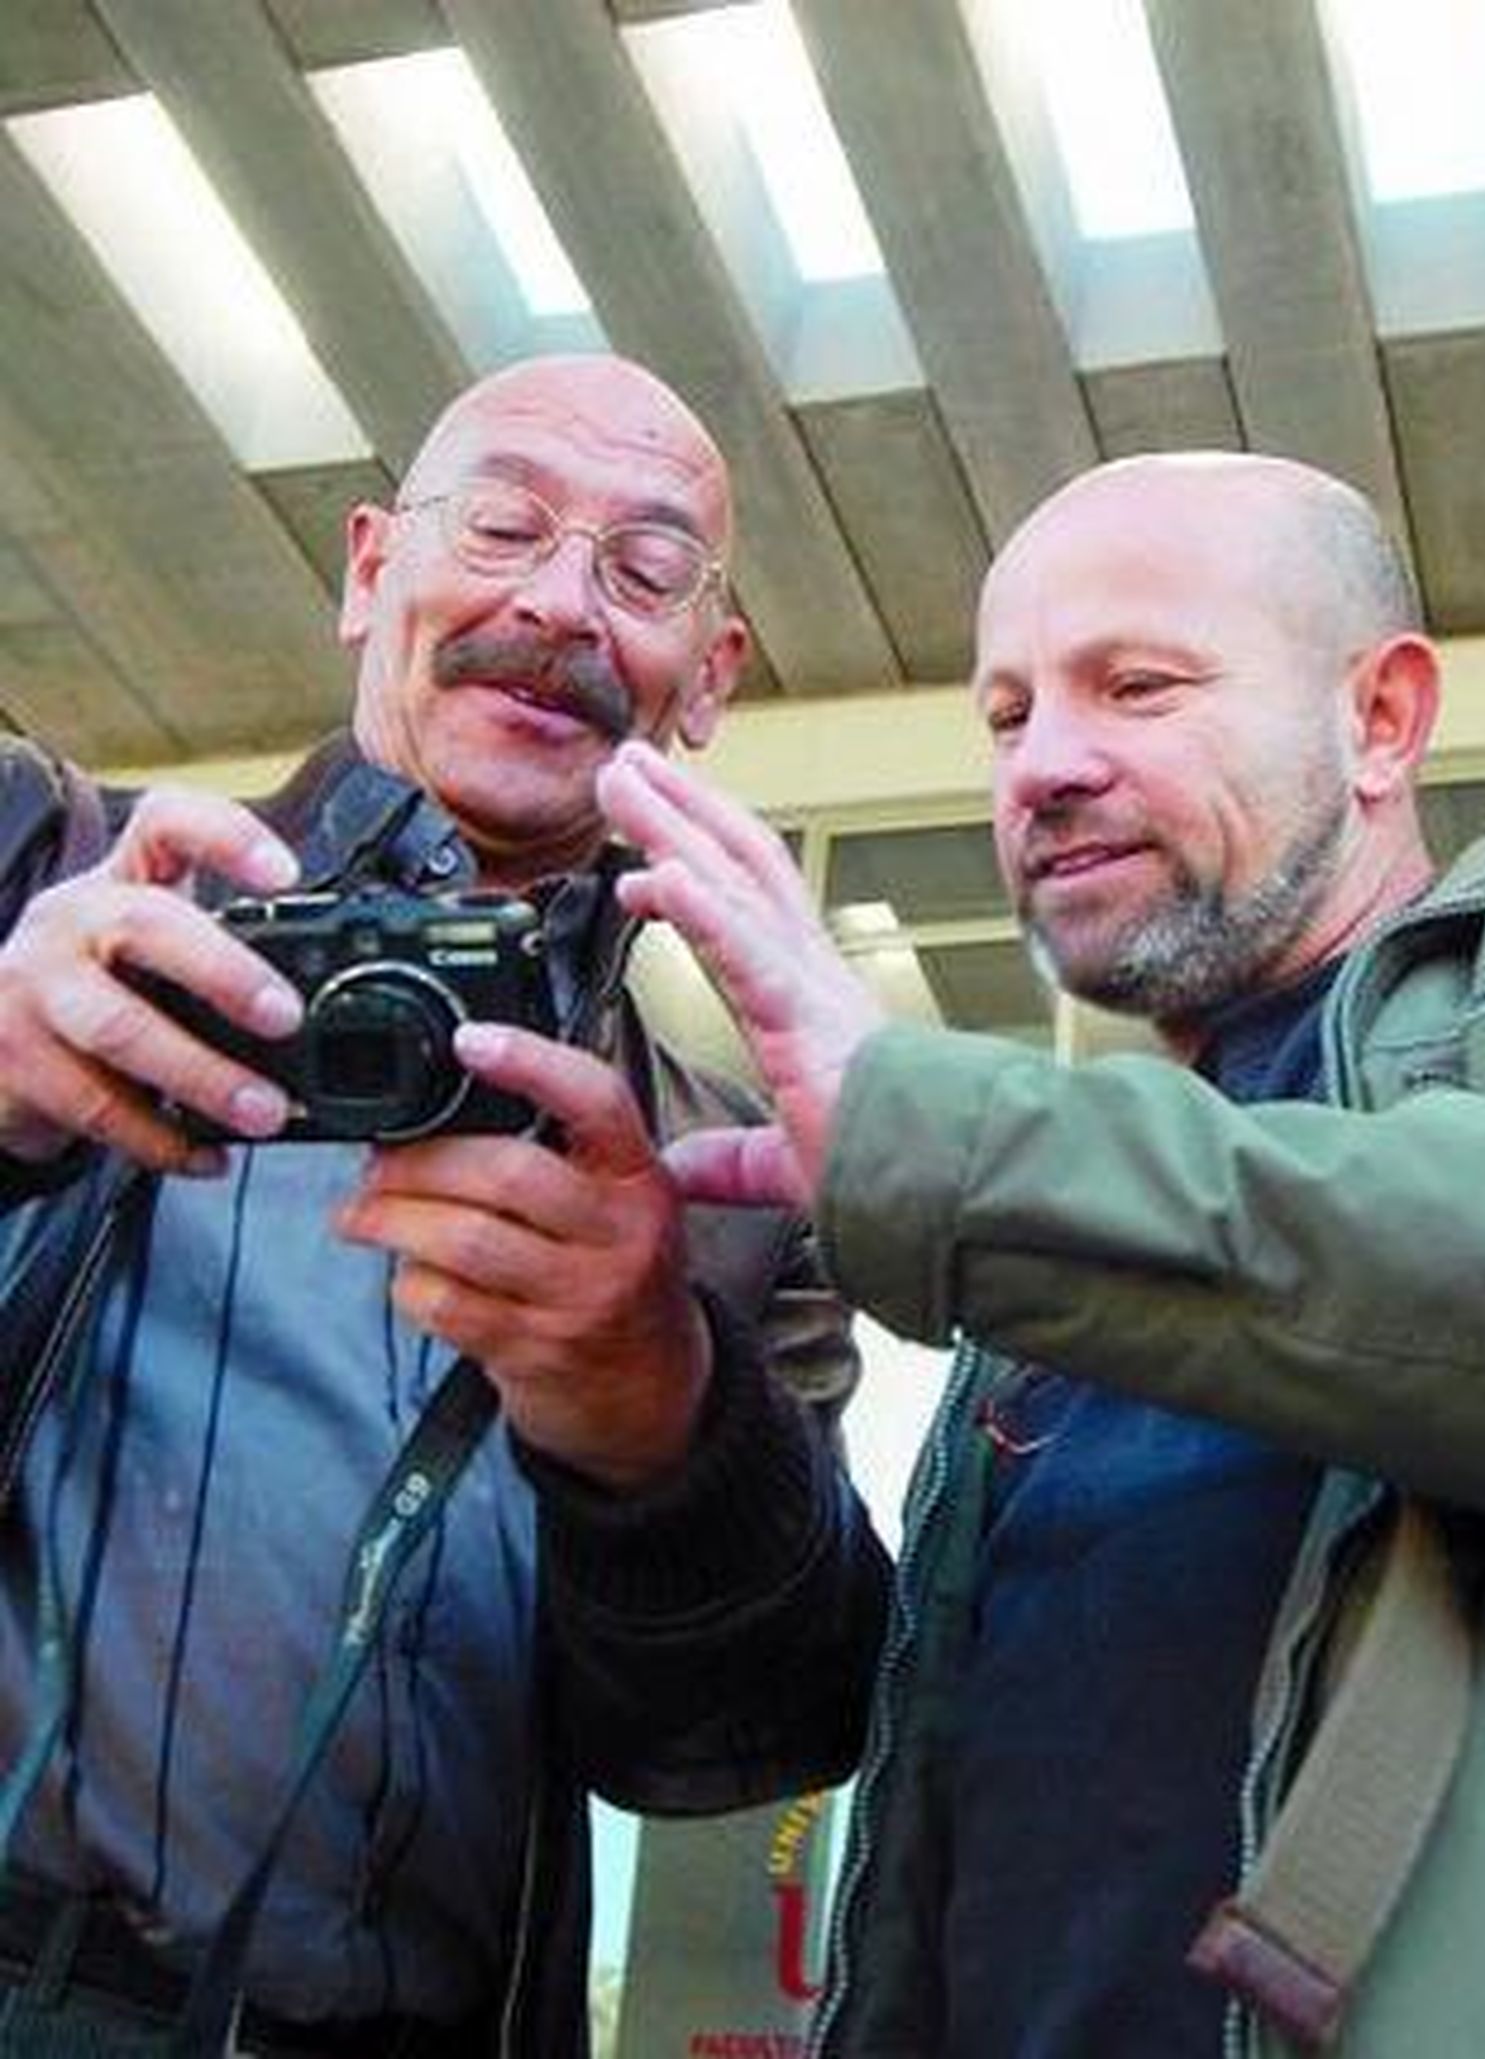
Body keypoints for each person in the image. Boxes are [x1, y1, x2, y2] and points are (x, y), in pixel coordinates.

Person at [597, 450, 1485, 2058]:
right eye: (1006, 715)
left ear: (1382, 720)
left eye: (1137, 685)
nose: (1045, 765)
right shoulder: (1044, 1255)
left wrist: (922, 1133)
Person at [0, 353, 888, 2057]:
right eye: (500, 524)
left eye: (642, 572)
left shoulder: (726, 1186)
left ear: (707, 678)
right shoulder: (52, 884)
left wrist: (664, 1416)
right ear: (366, 572)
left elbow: (766, 1724)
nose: (555, 605)